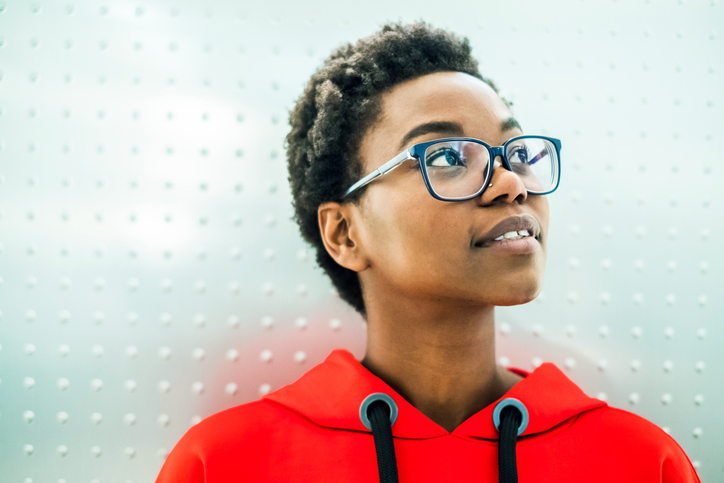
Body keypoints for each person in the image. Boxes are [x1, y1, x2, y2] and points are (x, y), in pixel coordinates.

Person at [156, 20, 700, 483]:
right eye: (445, 157)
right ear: (345, 233)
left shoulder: (639, 461)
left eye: (516, 151)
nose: (510, 182)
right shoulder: (226, 462)